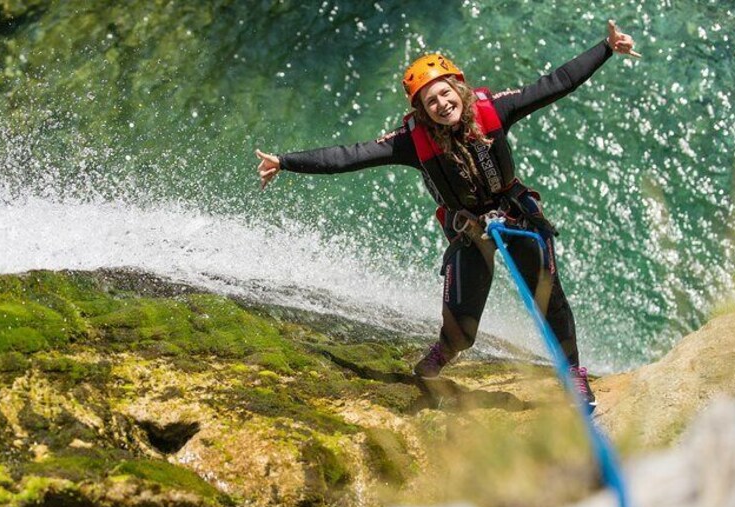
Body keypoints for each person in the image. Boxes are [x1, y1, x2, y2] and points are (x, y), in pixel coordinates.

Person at [256, 21, 639, 412]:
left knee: (549, 300)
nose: (441, 104)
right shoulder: (411, 143)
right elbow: (348, 157)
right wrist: (285, 162)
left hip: (515, 215)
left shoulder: (495, 110)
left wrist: (606, 48)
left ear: (458, 89)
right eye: (430, 102)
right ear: (421, 111)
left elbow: (555, 83)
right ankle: (443, 352)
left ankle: (572, 373)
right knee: (462, 325)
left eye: (444, 93)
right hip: (469, 231)